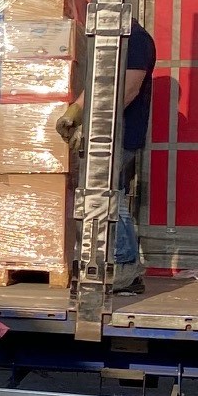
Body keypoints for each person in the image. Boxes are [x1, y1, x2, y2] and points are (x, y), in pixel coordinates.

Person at [56, 17, 156, 286]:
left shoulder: (135, 38)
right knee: (106, 195)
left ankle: (125, 267)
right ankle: (116, 264)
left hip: (121, 134)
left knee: (111, 195)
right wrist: (75, 111)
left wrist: (93, 123)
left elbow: (130, 87)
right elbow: (100, 85)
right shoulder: (109, 41)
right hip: (106, 132)